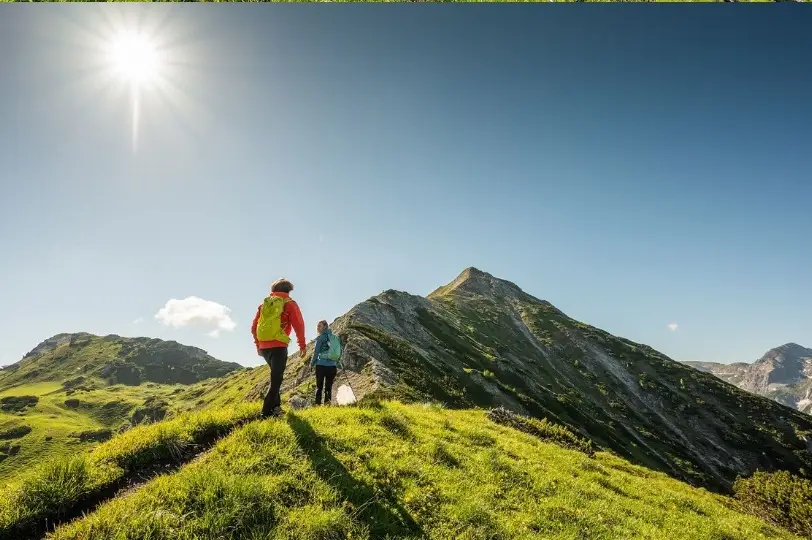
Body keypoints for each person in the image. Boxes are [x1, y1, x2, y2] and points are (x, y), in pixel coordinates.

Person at [251, 278, 306, 418]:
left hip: (264, 347)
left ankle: (276, 408)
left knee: (275, 377)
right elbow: (299, 325)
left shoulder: (264, 304)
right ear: (288, 291)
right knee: (276, 380)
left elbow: (253, 327)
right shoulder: (290, 304)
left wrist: (258, 345)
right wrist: (302, 345)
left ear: (273, 290)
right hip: (279, 346)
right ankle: (265, 413)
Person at [311, 320, 339, 405]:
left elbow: (316, 352)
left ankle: (317, 404)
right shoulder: (334, 337)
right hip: (332, 366)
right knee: (328, 386)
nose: (317, 328)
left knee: (319, 386)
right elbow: (338, 351)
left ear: (325, 327)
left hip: (321, 365)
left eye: (319, 326)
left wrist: (312, 364)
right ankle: (327, 404)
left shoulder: (320, 338)